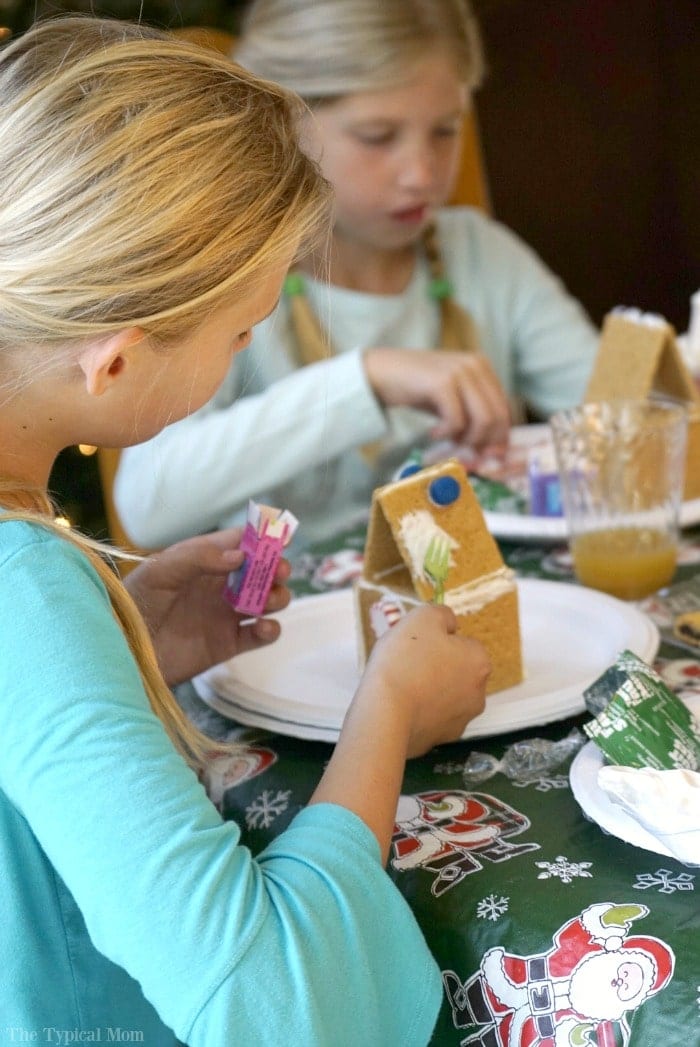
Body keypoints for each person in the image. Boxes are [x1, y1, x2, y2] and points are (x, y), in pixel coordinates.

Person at [0, 15, 492, 1044]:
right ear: (118, 360)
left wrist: (130, 644)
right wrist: (388, 713)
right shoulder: (24, 587)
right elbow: (274, 1007)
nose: (246, 348)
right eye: (241, 331)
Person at [113, 0, 599, 552]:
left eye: (444, 131)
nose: (422, 174)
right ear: (284, 125)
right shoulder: (230, 284)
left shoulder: (481, 256)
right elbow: (146, 504)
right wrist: (365, 380)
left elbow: (612, 413)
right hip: (288, 625)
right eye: (377, 136)